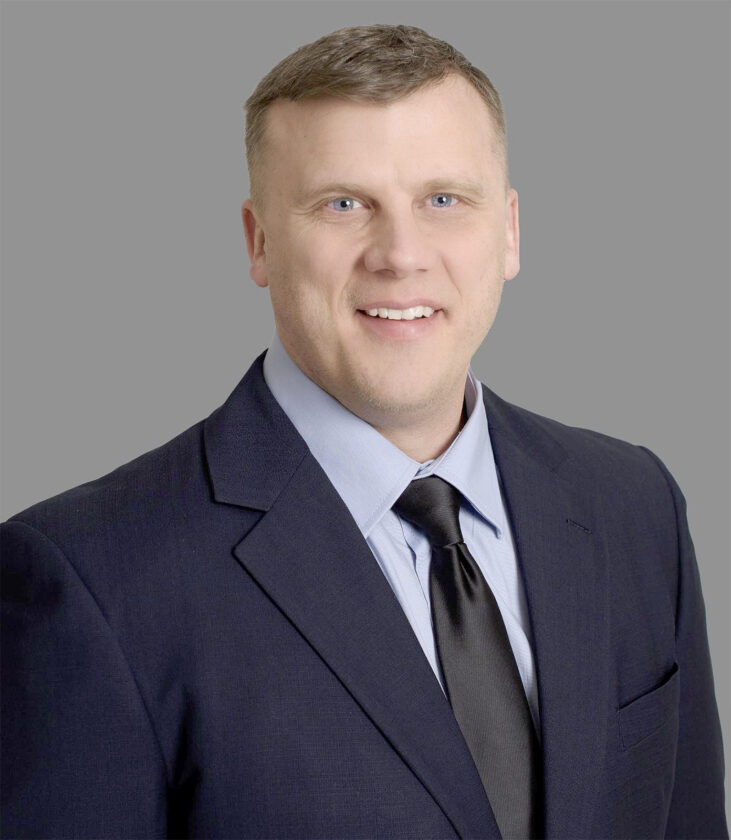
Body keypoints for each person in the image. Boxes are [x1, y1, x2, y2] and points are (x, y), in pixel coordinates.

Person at [1, 23, 726, 840]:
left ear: (509, 231)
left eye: (443, 200)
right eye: (343, 204)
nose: (400, 255)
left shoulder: (634, 507)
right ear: (259, 242)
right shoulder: (89, 581)